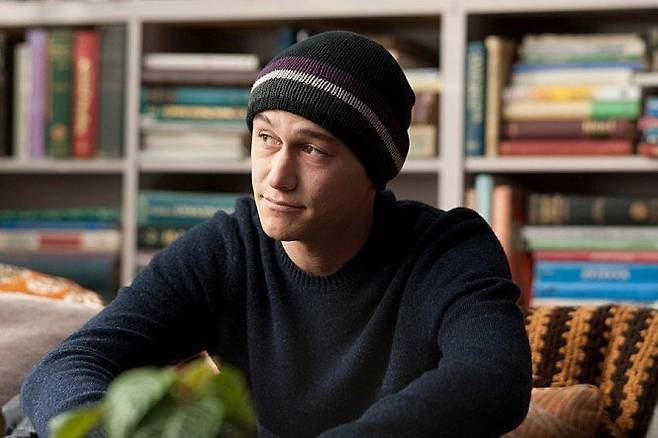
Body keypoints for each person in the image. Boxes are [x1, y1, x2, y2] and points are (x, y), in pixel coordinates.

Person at [21, 30, 532, 437]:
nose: (277, 176)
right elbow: (65, 367)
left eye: (312, 149)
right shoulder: (228, 249)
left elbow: (491, 379)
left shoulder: (447, 249)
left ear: (372, 173)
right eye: (266, 138)